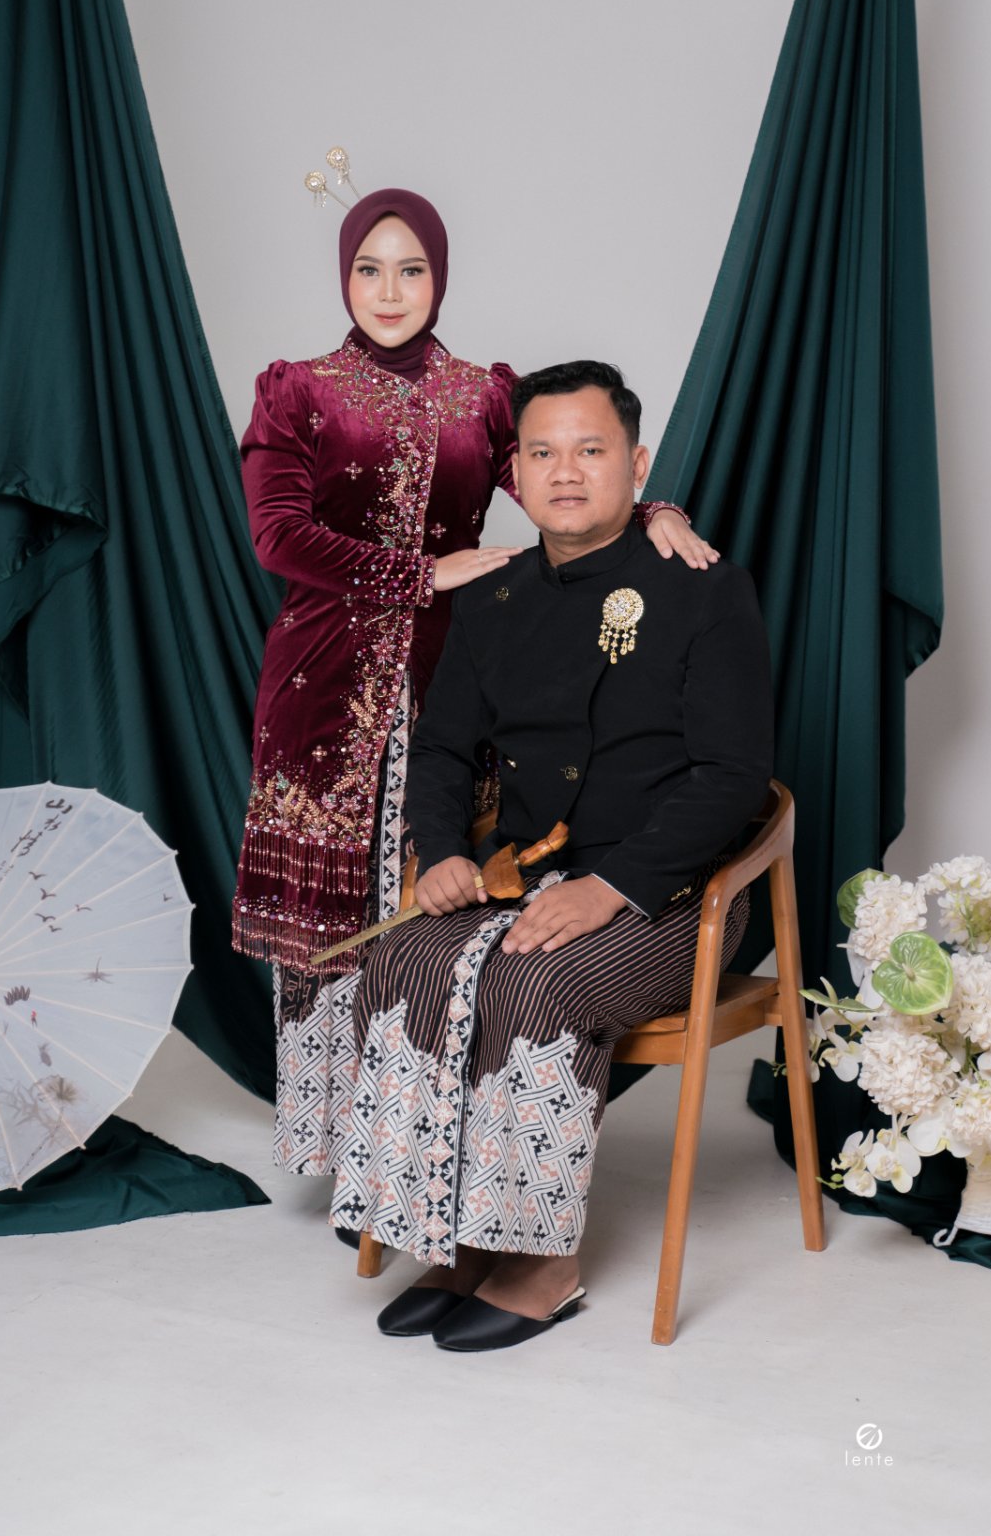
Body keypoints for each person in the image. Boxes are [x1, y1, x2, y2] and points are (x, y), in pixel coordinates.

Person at [230, 191, 715, 1182]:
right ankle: (346, 1151)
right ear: (342, 277)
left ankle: (431, 1139)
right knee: (336, 917)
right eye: (369, 269)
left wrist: (655, 508)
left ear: (439, 277)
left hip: (451, 678)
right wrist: (423, 572)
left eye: (411, 269)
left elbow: (558, 477)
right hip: (322, 686)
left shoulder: (480, 394)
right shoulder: (298, 391)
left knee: (443, 888)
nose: (390, 291)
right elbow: (277, 536)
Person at [329, 359, 774, 1349]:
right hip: (521, 874)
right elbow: (443, 751)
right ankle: (451, 1238)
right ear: (517, 473)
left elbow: (734, 776)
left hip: (673, 890)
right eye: (541, 453)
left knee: (533, 984)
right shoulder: (493, 598)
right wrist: (438, 851)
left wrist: (612, 888)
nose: (564, 472)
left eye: (589, 449)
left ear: (636, 465)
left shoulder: (703, 588)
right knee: (399, 961)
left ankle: (540, 1263)